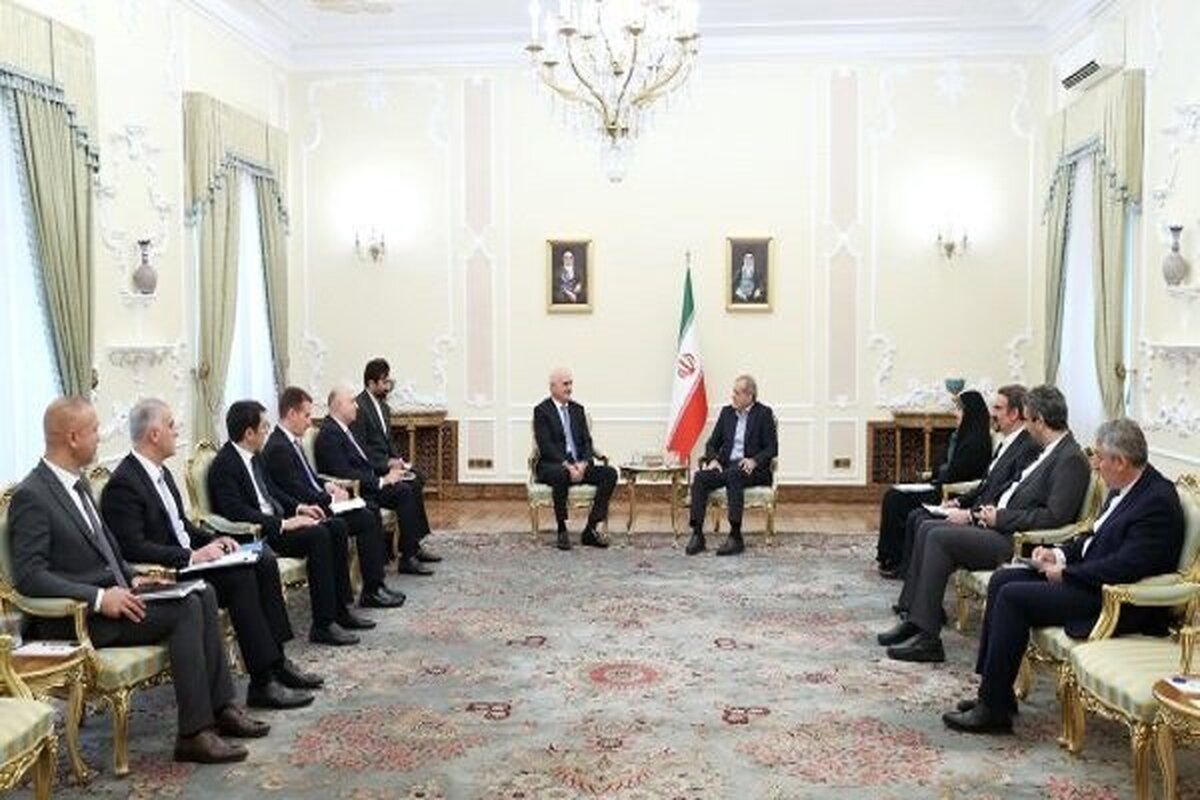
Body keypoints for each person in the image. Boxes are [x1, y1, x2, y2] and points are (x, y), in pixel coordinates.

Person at [9, 397, 266, 764]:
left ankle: (221, 708)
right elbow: (30, 577)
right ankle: (193, 734)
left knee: (202, 592)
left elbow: (108, 551)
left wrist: (134, 576)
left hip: (118, 597)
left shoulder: (78, 484)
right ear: (72, 437)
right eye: (94, 430)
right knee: (186, 609)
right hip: (76, 618)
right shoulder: (32, 495)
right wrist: (99, 597)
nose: (100, 437)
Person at [943, 419, 1184, 734]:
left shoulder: (1156, 501)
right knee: (1003, 580)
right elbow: (1093, 538)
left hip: (1114, 598)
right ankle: (995, 693)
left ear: (1121, 462)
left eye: (1100, 458)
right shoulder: (1126, 486)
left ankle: (993, 710)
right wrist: (1056, 554)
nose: (1095, 465)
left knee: (1014, 598)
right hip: (1090, 579)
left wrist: (1067, 573)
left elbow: (1126, 566)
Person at [100, 399, 322, 711]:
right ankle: (262, 683)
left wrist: (217, 540)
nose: (177, 431)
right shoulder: (124, 484)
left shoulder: (161, 473)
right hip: (168, 571)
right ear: (154, 435)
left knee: (262, 558)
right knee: (240, 577)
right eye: (171, 425)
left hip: (188, 559)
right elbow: (133, 547)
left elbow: (182, 526)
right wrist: (191, 556)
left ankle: (278, 662)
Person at [879, 385, 1092, 663]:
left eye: (1028, 419)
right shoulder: (1049, 450)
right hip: (998, 526)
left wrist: (999, 517)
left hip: (1018, 541)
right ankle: (917, 619)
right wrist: (983, 511)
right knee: (929, 527)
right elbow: (1010, 489)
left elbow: (1055, 517)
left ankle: (928, 639)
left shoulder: (1070, 458)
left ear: (1039, 420)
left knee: (937, 537)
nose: (1026, 426)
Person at [207, 400, 374, 646]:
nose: (268, 431)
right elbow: (236, 511)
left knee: (335, 526)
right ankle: (323, 625)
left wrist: (298, 508)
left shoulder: (255, 456)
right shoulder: (225, 464)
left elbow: (272, 491)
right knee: (318, 535)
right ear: (249, 433)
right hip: (259, 534)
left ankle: (340, 610)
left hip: (277, 523)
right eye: (264, 427)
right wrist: (284, 524)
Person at [261, 386, 404, 609]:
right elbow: (296, 490)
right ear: (291, 414)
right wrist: (330, 500)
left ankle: (373, 587)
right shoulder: (278, 447)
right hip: (306, 510)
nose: (310, 422)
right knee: (366, 517)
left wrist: (327, 485)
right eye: (307, 415)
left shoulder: (290, 441)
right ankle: (370, 591)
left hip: (316, 503)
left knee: (368, 511)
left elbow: (308, 477)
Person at [315, 385, 436, 575]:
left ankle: (412, 548)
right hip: (356, 490)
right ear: (338, 405)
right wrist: (382, 481)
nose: (357, 406)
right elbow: (344, 473)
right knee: (403, 491)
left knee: (409, 483)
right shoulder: (329, 434)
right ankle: (407, 558)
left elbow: (364, 461)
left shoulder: (345, 430)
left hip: (368, 482)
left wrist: (389, 468)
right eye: (352, 402)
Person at [875, 389, 991, 577]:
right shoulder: (959, 436)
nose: (955, 414)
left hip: (951, 493)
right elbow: (942, 465)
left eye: (959, 410)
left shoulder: (977, 441)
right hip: (939, 485)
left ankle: (894, 558)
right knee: (894, 494)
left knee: (896, 499)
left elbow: (958, 474)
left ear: (970, 412)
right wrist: (934, 475)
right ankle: (890, 556)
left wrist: (938, 476)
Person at [350, 358, 440, 564]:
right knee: (407, 488)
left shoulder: (383, 408)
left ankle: (413, 543)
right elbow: (362, 450)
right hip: (375, 472)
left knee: (417, 477)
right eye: (383, 382)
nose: (387, 386)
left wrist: (399, 461)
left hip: (388, 466)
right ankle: (408, 552)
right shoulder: (359, 408)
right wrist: (386, 464)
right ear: (371, 383)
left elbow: (388, 441)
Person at [685, 375, 778, 556]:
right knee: (700, 478)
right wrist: (713, 460)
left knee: (734, 475)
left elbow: (772, 448)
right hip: (727, 467)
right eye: (733, 392)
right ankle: (697, 534)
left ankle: (735, 536)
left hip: (752, 470)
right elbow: (712, 444)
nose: (732, 396)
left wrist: (754, 460)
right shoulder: (726, 413)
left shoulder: (763, 414)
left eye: (737, 393)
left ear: (749, 395)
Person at [532, 367, 618, 551]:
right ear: (553, 387)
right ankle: (562, 529)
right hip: (553, 465)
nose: (569, 388)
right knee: (561, 474)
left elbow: (587, 442)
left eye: (570, 384)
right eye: (565, 384)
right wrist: (567, 465)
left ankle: (590, 529)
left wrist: (584, 463)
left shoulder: (578, 410)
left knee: (610, 474)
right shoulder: (542, 411)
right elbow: (545, 446)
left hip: (579, 464)